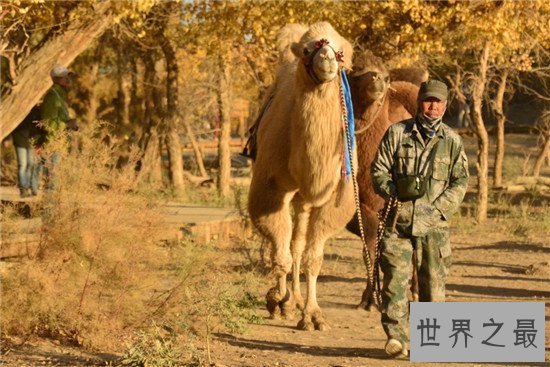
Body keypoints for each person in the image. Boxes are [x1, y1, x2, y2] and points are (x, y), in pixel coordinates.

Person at [371, 79, 469, 358]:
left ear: (445, 106)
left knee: (433, 285)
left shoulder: (451, 141)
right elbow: (378, 171)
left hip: (434, 226)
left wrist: (438, 210)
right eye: (428, 100)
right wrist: (393, 190)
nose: (432, 106)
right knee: (394, 284)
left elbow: (460, 181)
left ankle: (431, 341)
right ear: (419, 103)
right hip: (397, 223)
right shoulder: (397, 134)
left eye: (438, 102)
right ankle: (397, 339)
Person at [39, 64, 77, 191]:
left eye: (68, 76)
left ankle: (51, 210)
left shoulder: (60, 95)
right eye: (65, 76)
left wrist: (70, 124)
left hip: (60, 144)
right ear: (57, 78)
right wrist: (67, 124)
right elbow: (48, 123)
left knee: (56, 185)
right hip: (53, 145)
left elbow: (58, 121)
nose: (68, 79)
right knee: (51, 185)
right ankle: (47, 211)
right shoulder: (52, 96)